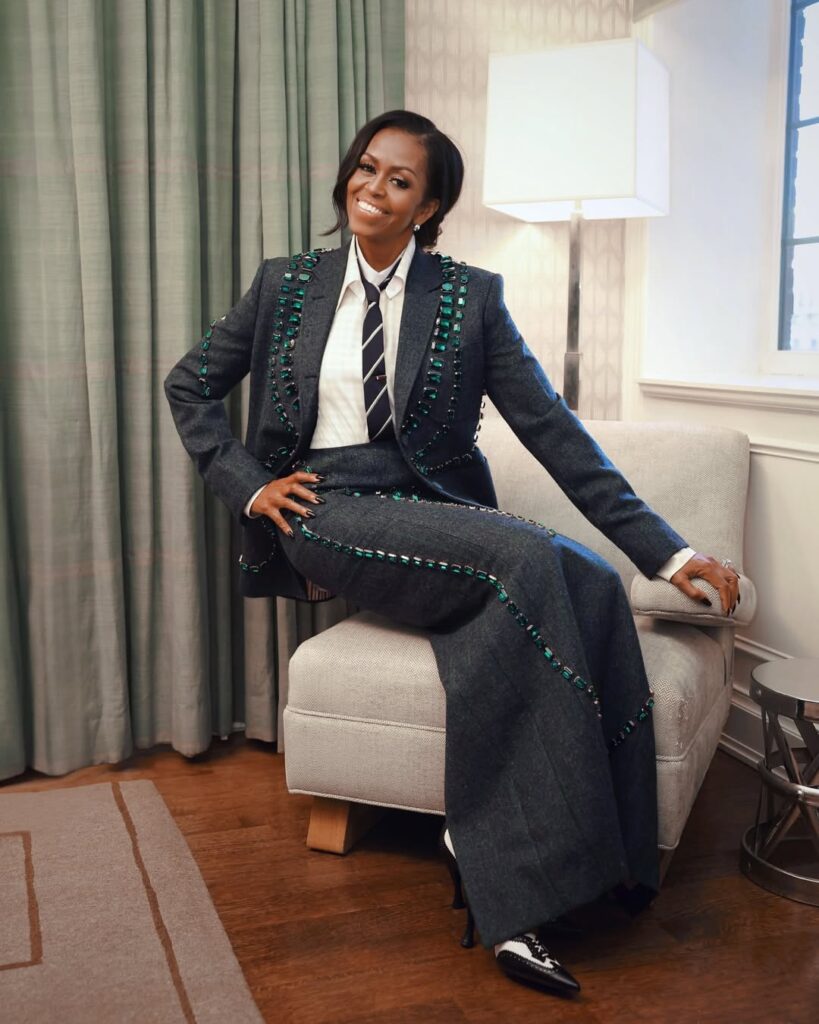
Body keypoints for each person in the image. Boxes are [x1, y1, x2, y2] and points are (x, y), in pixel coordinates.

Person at [165, 109, 740, 997]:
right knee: (526, 561)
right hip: (326, 505)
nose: (372, 188)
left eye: (399, 180)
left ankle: (612, 862)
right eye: (366, 167)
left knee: (591, 580)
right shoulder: (286, 283)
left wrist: (668, 554)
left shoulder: (470, 296)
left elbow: (551, 428)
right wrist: (249, 485)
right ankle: (515, 893)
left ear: (428, 207)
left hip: (433, 508)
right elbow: (191, 384)